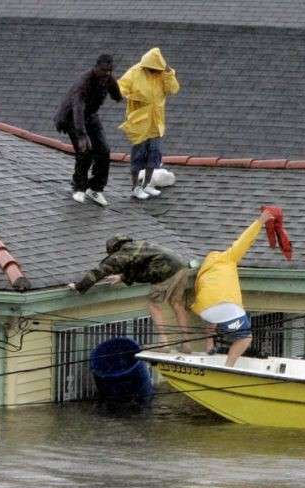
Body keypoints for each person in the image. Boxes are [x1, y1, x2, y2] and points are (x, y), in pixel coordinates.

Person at [68, 235, 195, 351]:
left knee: (154, 304)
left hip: (165, 271)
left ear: (114, 248)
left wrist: (79, 286)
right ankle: (187, 344)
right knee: (177, 304)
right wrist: (122, 277)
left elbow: (99, 271)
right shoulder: (139, 246)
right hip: (181, 266)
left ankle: (163, 343)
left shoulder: (121, 254)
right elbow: (140, 266)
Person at [190, 208, 277, 367]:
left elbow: (203, 295)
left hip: (205, 310)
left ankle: (209, 345)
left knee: (214, 318)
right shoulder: (228, 258)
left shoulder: (204, 270)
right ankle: (229, 366)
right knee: (245, 337)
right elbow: (244, 240)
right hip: (225, 306)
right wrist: (260, 221)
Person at [53, 54, 123, 207]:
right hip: (71, 117)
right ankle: (79, 187)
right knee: (85, 151)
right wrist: (81, 134)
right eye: (104, 71)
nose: (106, 74)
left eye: (109, 71)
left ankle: (95, 188)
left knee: (104, 150)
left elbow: (117, 95)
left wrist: (120, 96)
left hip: (90, 115)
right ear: (96, 68)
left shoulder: (108, 79)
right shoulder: (84, 82)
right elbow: (77, 108)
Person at [116, 47, 180, 200]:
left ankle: (147, 184)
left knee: (154, 154)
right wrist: (132, 96)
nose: (154, 72)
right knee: (138, 155)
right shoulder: (135, 72)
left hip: (156, 122)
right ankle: (135, 187)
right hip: (140, 122)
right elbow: (120, 87)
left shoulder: (162, 75)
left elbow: (173, 89)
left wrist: (168, 72)